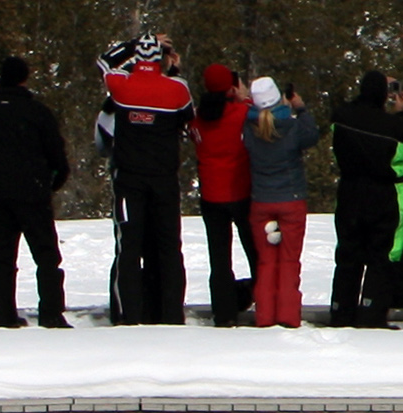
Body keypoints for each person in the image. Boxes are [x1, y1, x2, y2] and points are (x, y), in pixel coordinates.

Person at [0, 57, 71, 328]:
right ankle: (51, 312)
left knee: (3, 257)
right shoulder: (36, 112)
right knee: (46, 256)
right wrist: (50, 183)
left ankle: (4, 314)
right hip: (32, 192)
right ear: (24, 78)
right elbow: (57, 154)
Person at [99, 36, 193, 322]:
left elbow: (104, 61)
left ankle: (128, 314)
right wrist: (172, 69)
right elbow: (187, 123)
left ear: (138, 59)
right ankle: (171, 312)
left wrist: (135, 43)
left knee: (128, 246)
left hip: (129, 179)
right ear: (161, 59)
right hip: (164, 179)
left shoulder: (122, 85)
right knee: (168, 247)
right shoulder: (177, 88)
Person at [236, 75, 320, 326]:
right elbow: (312, 135)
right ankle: (287, 316)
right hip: (291, 199)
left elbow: (254, 115)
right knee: (289, 260)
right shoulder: (293, 127)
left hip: (261, 201)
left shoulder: (248, 128)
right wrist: (300, 108)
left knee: (266, 262)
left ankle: (265, 316)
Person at [327, 72, 403, 326]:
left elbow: (338, 117)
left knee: (348, 253)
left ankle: (341, 310)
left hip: (350, 190)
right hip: (380, 191)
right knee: (378, 256)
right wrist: (399, 112)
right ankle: (372, 311)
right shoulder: (391, 125)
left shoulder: (343, 117)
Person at [189, 66, 255, 326]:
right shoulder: (242, 112)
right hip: (240, 191)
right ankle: (258, 295)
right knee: (255, 252)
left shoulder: (197, 118)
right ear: (232, 87)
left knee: (219, 257)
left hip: (211, 194)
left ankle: (224, 311)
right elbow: (257, 114)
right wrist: (246, 97)